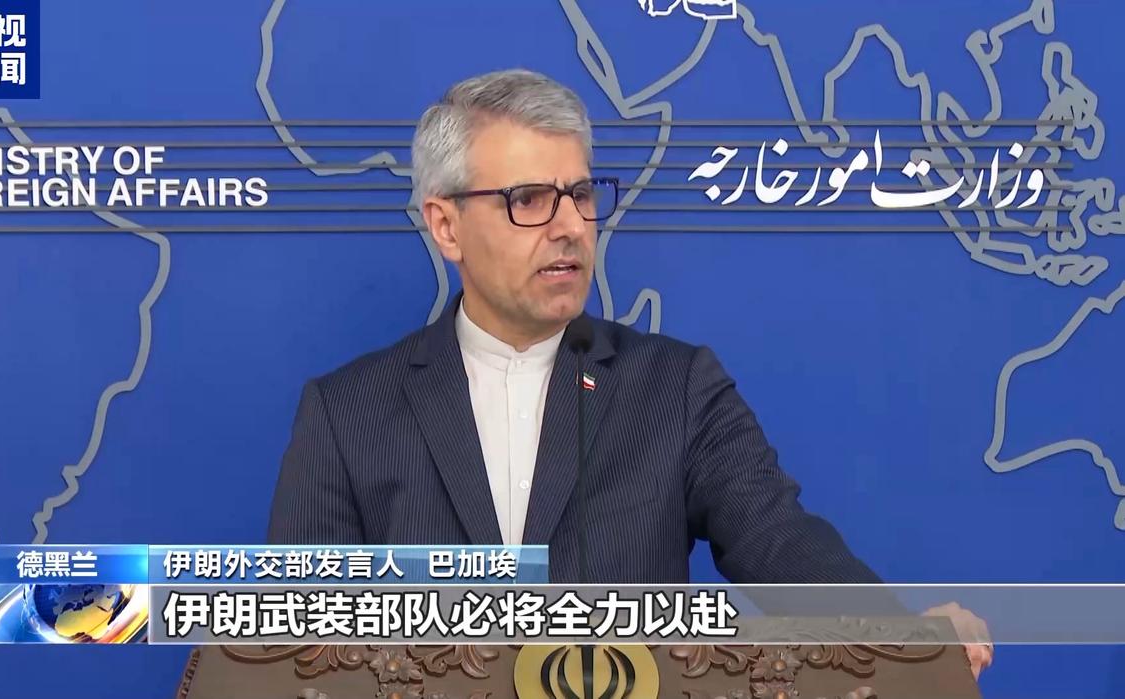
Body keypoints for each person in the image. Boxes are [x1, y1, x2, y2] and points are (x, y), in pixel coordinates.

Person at [266, 68, 991, 679]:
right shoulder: (346, 414)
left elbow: (780, 541)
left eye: (581, 195)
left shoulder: (676, 388)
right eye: (528, 200)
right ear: (446, 225)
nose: (569, 227)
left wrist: (904, 641)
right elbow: (294, 652)